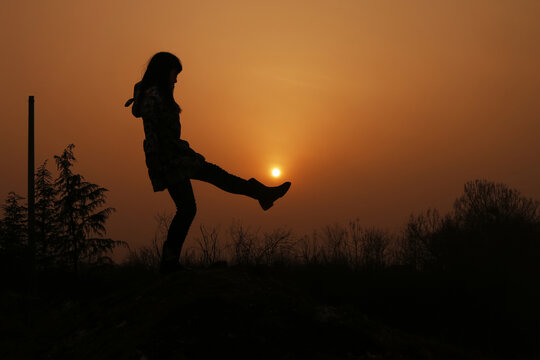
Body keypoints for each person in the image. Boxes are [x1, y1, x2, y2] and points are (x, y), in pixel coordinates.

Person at [125, 52, 291, 274]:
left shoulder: (151, 94)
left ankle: (170, 262)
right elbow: (159, 131)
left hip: (171, 156)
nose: (177, 80)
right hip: (170, 158)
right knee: (203, 192)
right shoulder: (155, 96)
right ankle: (169, 263)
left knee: (191, 204)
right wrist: (176, 153)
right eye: (175, 74)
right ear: (166, 72)